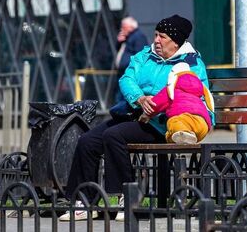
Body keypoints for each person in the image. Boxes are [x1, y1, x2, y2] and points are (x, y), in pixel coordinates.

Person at [60, 14, 209, 222]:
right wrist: (139, 98)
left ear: (175, 42)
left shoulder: (192, 64)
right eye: (156, 35)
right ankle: (84, 202)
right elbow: (127, 78)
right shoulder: (145, 55)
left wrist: (155, 106)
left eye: (162, 37)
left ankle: (128, 197)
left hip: (164, 124)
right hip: (135, 114)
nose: (156, 40)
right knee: (87, 141)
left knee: (114, 135)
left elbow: (190, 95)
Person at [138, 62, 215, 144]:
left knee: (173, 122)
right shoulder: (199, 89)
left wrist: (146, 114)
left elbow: (156, 103)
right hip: (203, 124)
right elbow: (209, 103)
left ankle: (184, 134)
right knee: (175, 135)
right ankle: (184, 136)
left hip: (183, 120)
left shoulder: (171, 88)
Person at [112, 17, 148, 104]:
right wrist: (119, 42)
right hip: (123, 73)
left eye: (124, 27)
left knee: (124, 99)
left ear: (131, 27)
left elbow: (140, 56)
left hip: (130, 74)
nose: (121, 29)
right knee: (119, 98)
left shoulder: (138, 36)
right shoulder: (128, 37)